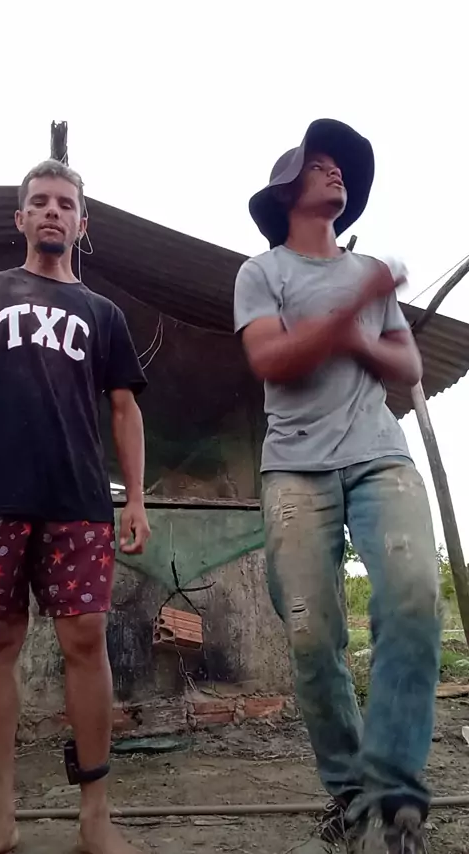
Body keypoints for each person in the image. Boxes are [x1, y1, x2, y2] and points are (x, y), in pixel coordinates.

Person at [234, 119, 440, 852]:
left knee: (414, 594)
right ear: (286, 192)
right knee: (311, 635)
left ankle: (397, 798)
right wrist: (356, 318)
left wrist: (356, 326)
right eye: (318, 164)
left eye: (338, 167)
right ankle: (352, 799)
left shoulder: (368, 273)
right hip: (295, 467)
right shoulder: (262, 274)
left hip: (379, 455)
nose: (336, 172)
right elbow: (273, 361)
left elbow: (408, 369)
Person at [0, 160, 151, 854]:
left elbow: (125, 410)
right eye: (40, 201)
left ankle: (95, 817)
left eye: (65, 203)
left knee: (86, 642)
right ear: (20, 218)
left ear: (82, 223)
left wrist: (135, 498)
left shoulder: (104, 314)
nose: (52, 210)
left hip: (79, 501)